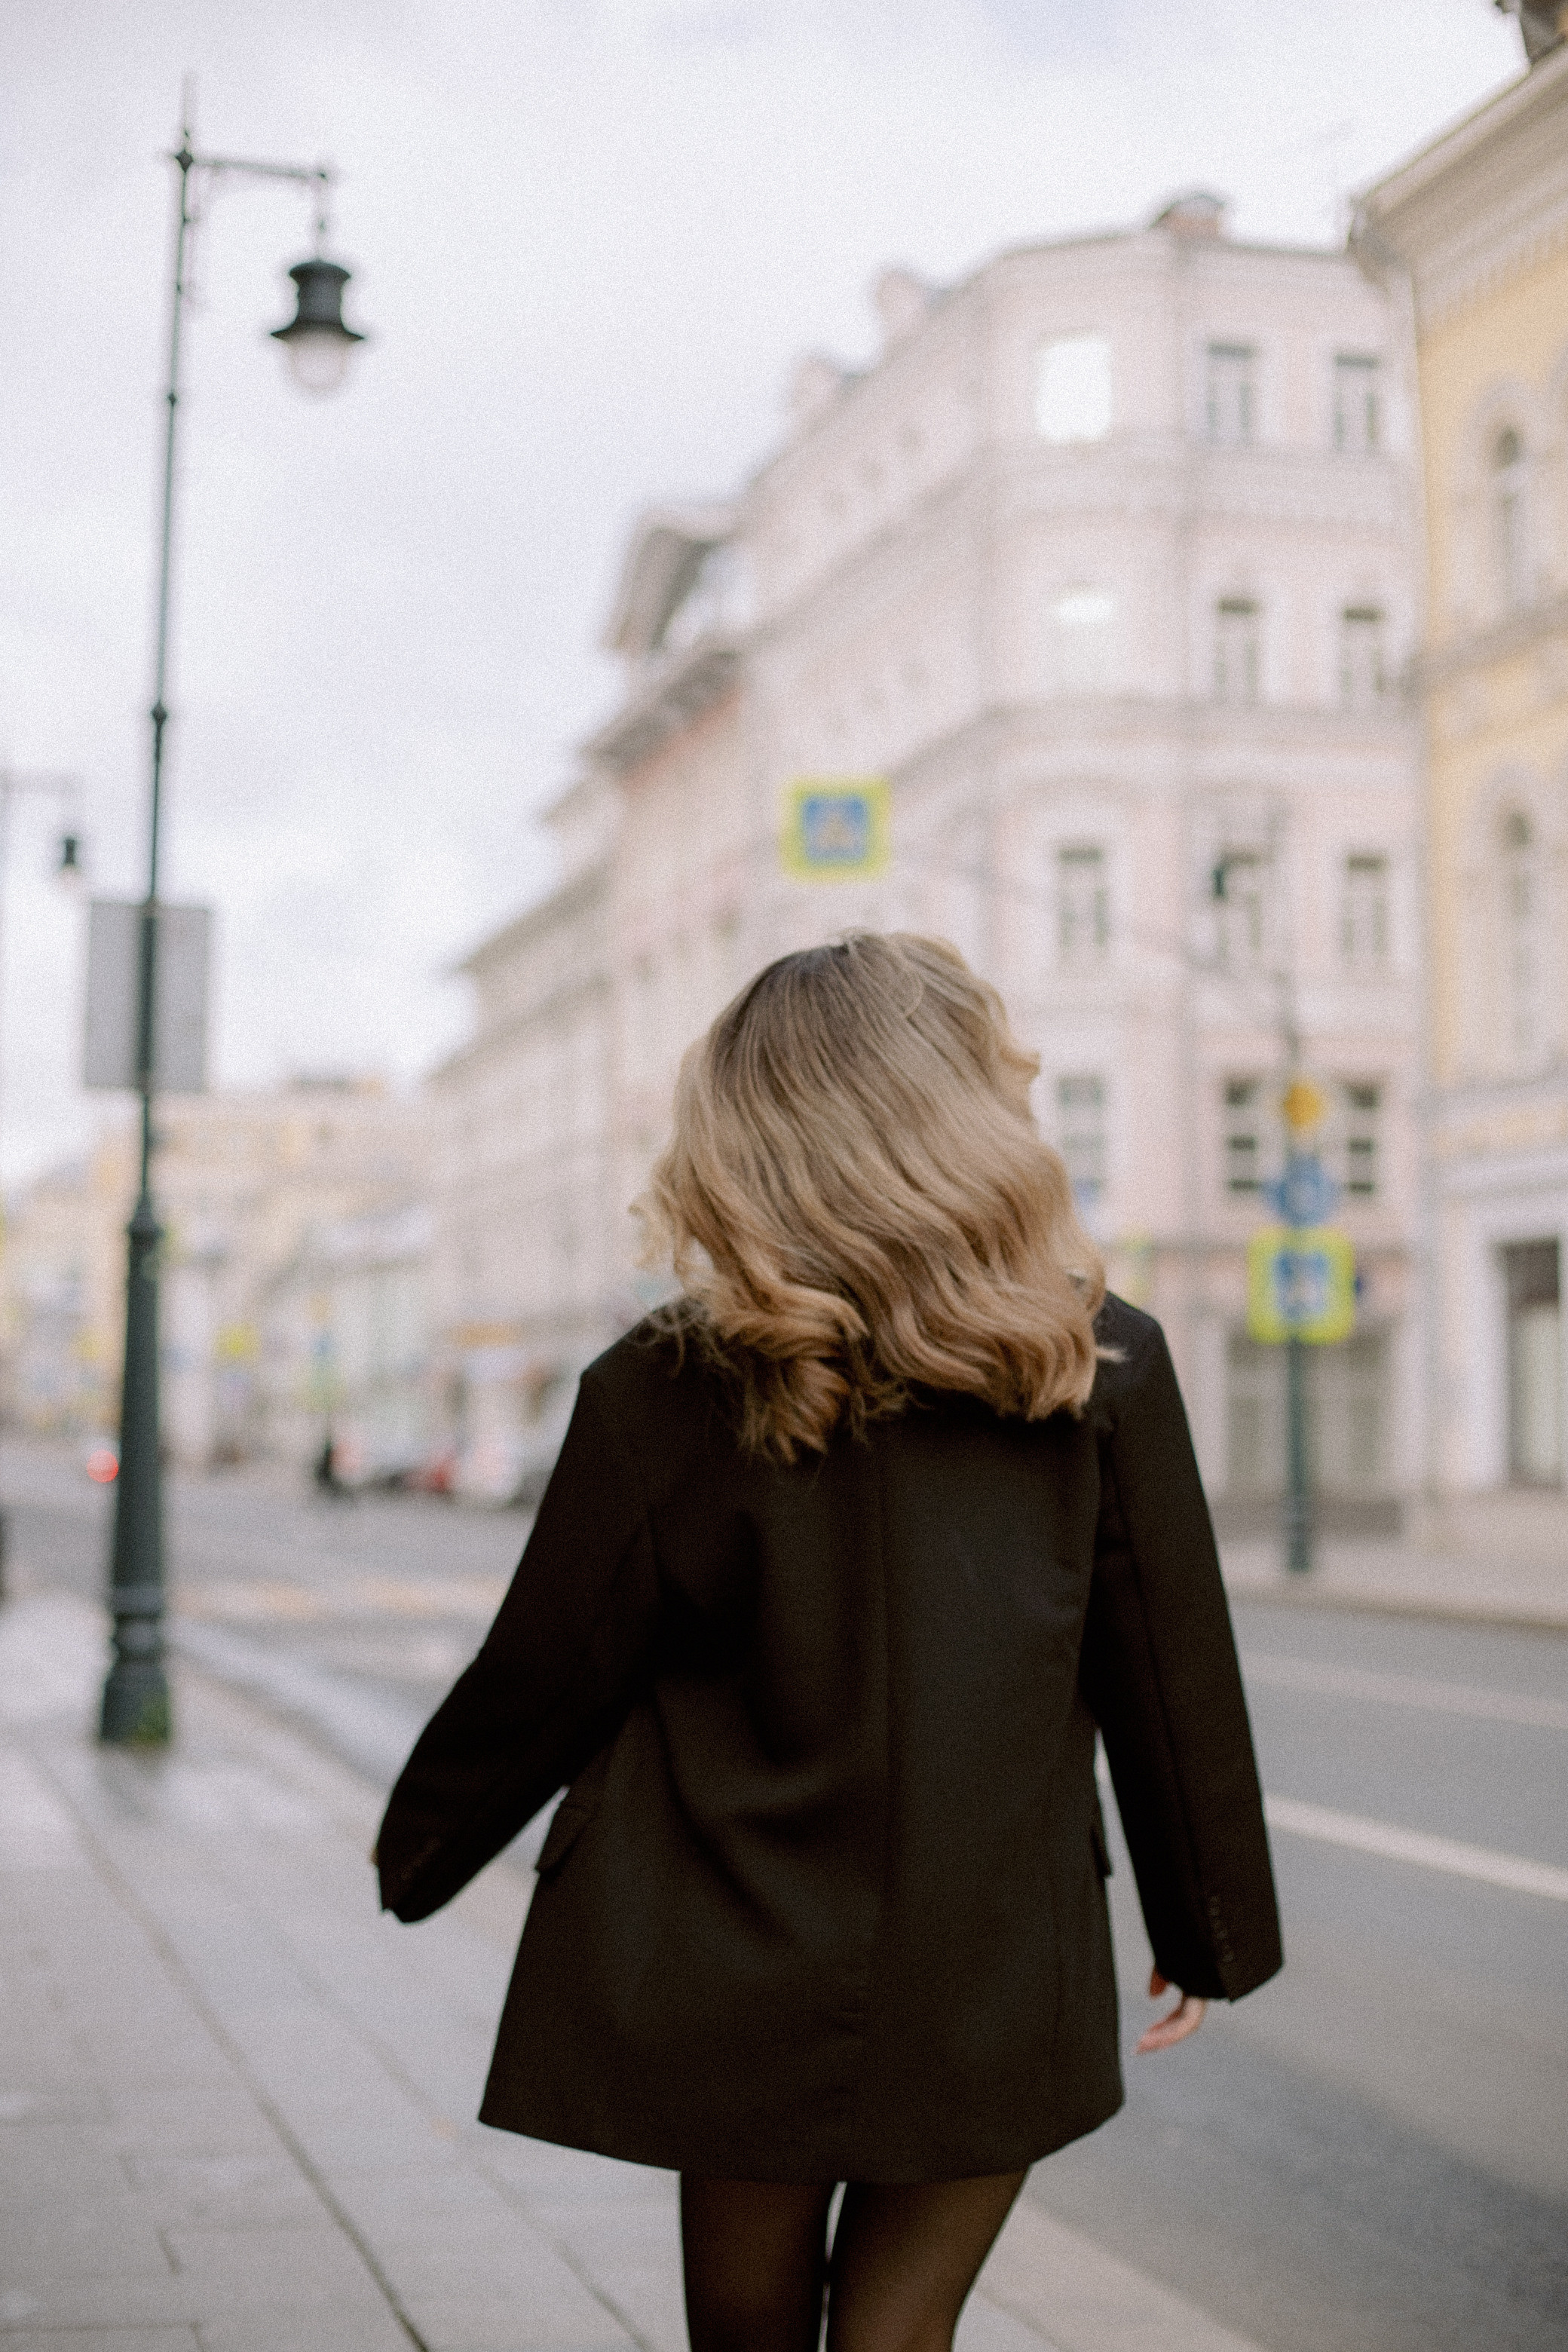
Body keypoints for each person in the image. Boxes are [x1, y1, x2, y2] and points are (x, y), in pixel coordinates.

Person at [376, 933, 1282, 2352]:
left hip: (725, 1937)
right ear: (965, 1112)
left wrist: (420, 1853)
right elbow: (1168, 1672)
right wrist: (1208, 1925)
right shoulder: (1096, 1359)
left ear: (748, 1132)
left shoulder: (663, 1379)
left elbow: (550, 1667)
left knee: (742, 2324)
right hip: (991, 1949)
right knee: (900, 2330)